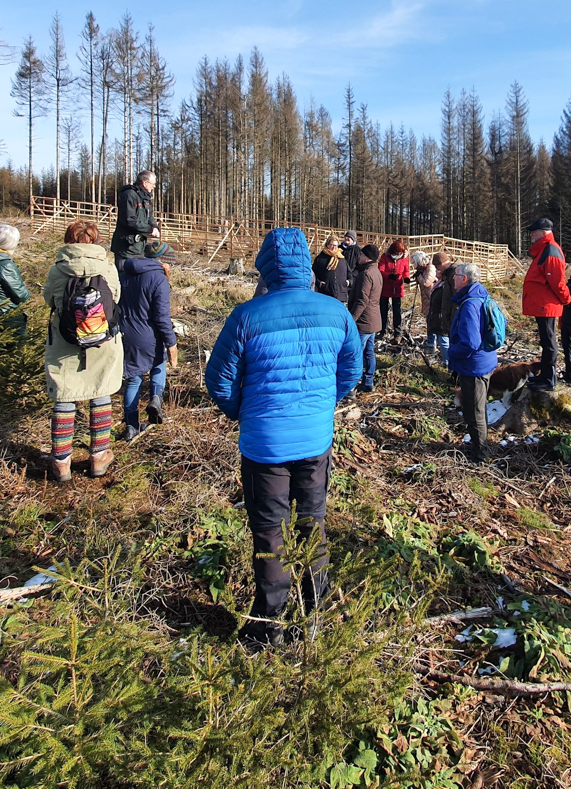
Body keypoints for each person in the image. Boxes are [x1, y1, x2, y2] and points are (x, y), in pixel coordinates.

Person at [206, 228, 362, 648]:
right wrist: (321, 405)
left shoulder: (247, 315)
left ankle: (268, 624)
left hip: (265, 446)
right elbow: (351, 370)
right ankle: (316, 612)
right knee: (313, 523)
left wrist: (244, 412)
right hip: (315, 441)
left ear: (267, 268)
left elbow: (218, 380)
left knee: (269, 531)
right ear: (304, 266)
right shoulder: (335, 312)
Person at [44, 220, 125, 482]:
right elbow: (116, 298)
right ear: (95, 240)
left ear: (69, 240)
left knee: (65, 396)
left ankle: (61, 462)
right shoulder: (108, 268)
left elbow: (50, 300)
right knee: (100, 392)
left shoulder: (58, 270)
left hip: (65, 341)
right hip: (102, 340)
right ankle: (99, 457)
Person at [119, 240, 179, 441]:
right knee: (158, 364)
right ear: (162, 261)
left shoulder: (124, 273)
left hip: (126, 334)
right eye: (170, 263)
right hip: (150, 335)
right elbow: (162, 316)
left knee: (134, 379)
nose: (171, 267)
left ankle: (130, 426)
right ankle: (155, 399)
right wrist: (171, 343)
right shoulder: (158, 279)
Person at [447, 263, 498, 463]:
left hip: (474, 365)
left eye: (456, 275)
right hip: (483, 361)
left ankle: (480, 454)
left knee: (475, 410)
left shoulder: (469, 304)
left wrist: (451, 352)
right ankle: (479, 446)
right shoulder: (480, 296)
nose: (453, 278)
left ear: (465, 279)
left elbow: (471, 343)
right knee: (477, 407)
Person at [522, 218, 571, 390]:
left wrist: (567, 300)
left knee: (549, 342)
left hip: (547, 306)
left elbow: (557, 282)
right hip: (543, 305)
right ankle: (544, 375)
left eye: (534, 232)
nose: (531, 236)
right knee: (546, 341)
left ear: (543, 232)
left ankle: (549, 379)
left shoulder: (550, 250)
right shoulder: (544, 250)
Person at [348, 244, 383, 394]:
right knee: (369, 352)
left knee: (355, 353)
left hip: (364, 321)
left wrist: (351, 319)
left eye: (361, 255)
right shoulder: (376, 272)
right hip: (374, 319)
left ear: (367, 257)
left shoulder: (366, 275)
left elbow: (362, 300)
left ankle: (350, 386)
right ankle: (368, 382)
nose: (359, 257)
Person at [110, 170, 159, 269]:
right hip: (126, 247)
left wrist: (154, 227)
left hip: (139, 247)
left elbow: (149, 217)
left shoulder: (145, 198)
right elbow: (129, 220)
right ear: (145, 183)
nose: (154, 187)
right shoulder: (129, 195)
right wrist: (149, 229)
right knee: (123, 277)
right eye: (153, 184)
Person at [378, 239, 411, 344]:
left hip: (397, 287)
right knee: (383, 309)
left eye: (399, 253)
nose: (397, 255)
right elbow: (381, 270)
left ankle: (398, 333)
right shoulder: (385, 257)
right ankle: (383, 330)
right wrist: (389, 275)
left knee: (397, 311)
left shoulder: (404, 259)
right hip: (385, 286)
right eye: (395, 253)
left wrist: (406, 278)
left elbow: (406, 270)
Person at [427, 261, 457, 366]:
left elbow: (446, 301)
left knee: (444, 340)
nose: (437, 272)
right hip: (437, 315)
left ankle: (447, 361)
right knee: (442, 339)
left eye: (438, 270)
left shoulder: (445, 285)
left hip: (441, 315)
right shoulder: (439, 283)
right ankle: (446, 360)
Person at [313, 236, 349, 304]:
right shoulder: (320, 258)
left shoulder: (342, 259)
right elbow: (313, 274)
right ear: (327, 245)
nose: (333, 247)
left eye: (335, 245)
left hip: (341, 295)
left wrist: (348, 282)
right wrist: (319, 282)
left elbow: (349, 274)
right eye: (331, 245)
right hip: (325, 294)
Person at [413, 251, 438, 343]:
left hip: (433, 298)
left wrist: (419, 276)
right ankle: (431, 342)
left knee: (433, 321)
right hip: (427, 298)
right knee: (429, 321)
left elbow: (426, 283)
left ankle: (433, 343)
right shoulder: (424, 269)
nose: (414, 265)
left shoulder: (430, 268)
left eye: (415, 263)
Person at [340, 231, 362, 297]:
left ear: (353, 239)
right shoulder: (339, 248)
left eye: (349, 237)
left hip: (351, 279)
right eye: (346, 236)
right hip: (340, 277)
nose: (347, 238)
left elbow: (359, 266)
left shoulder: (357, 250)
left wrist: (352, 277)